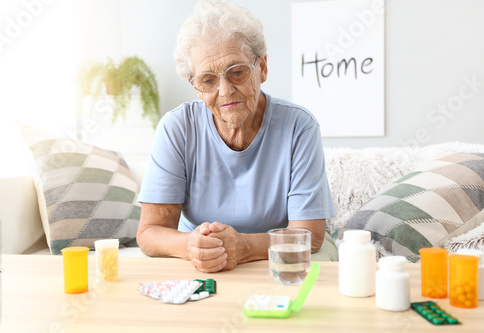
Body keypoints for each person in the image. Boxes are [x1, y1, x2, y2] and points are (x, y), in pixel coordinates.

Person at [137, 0, 337, 273]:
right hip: (200, 262)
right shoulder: (176, 128)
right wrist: (192, 246)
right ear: (195, 87)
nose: (226, 91)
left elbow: (309, 236)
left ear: (262, 67)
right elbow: (151, 232)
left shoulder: (299, 127)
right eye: (208, 80)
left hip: (271, 259)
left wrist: (244, 247)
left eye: (237, 72)